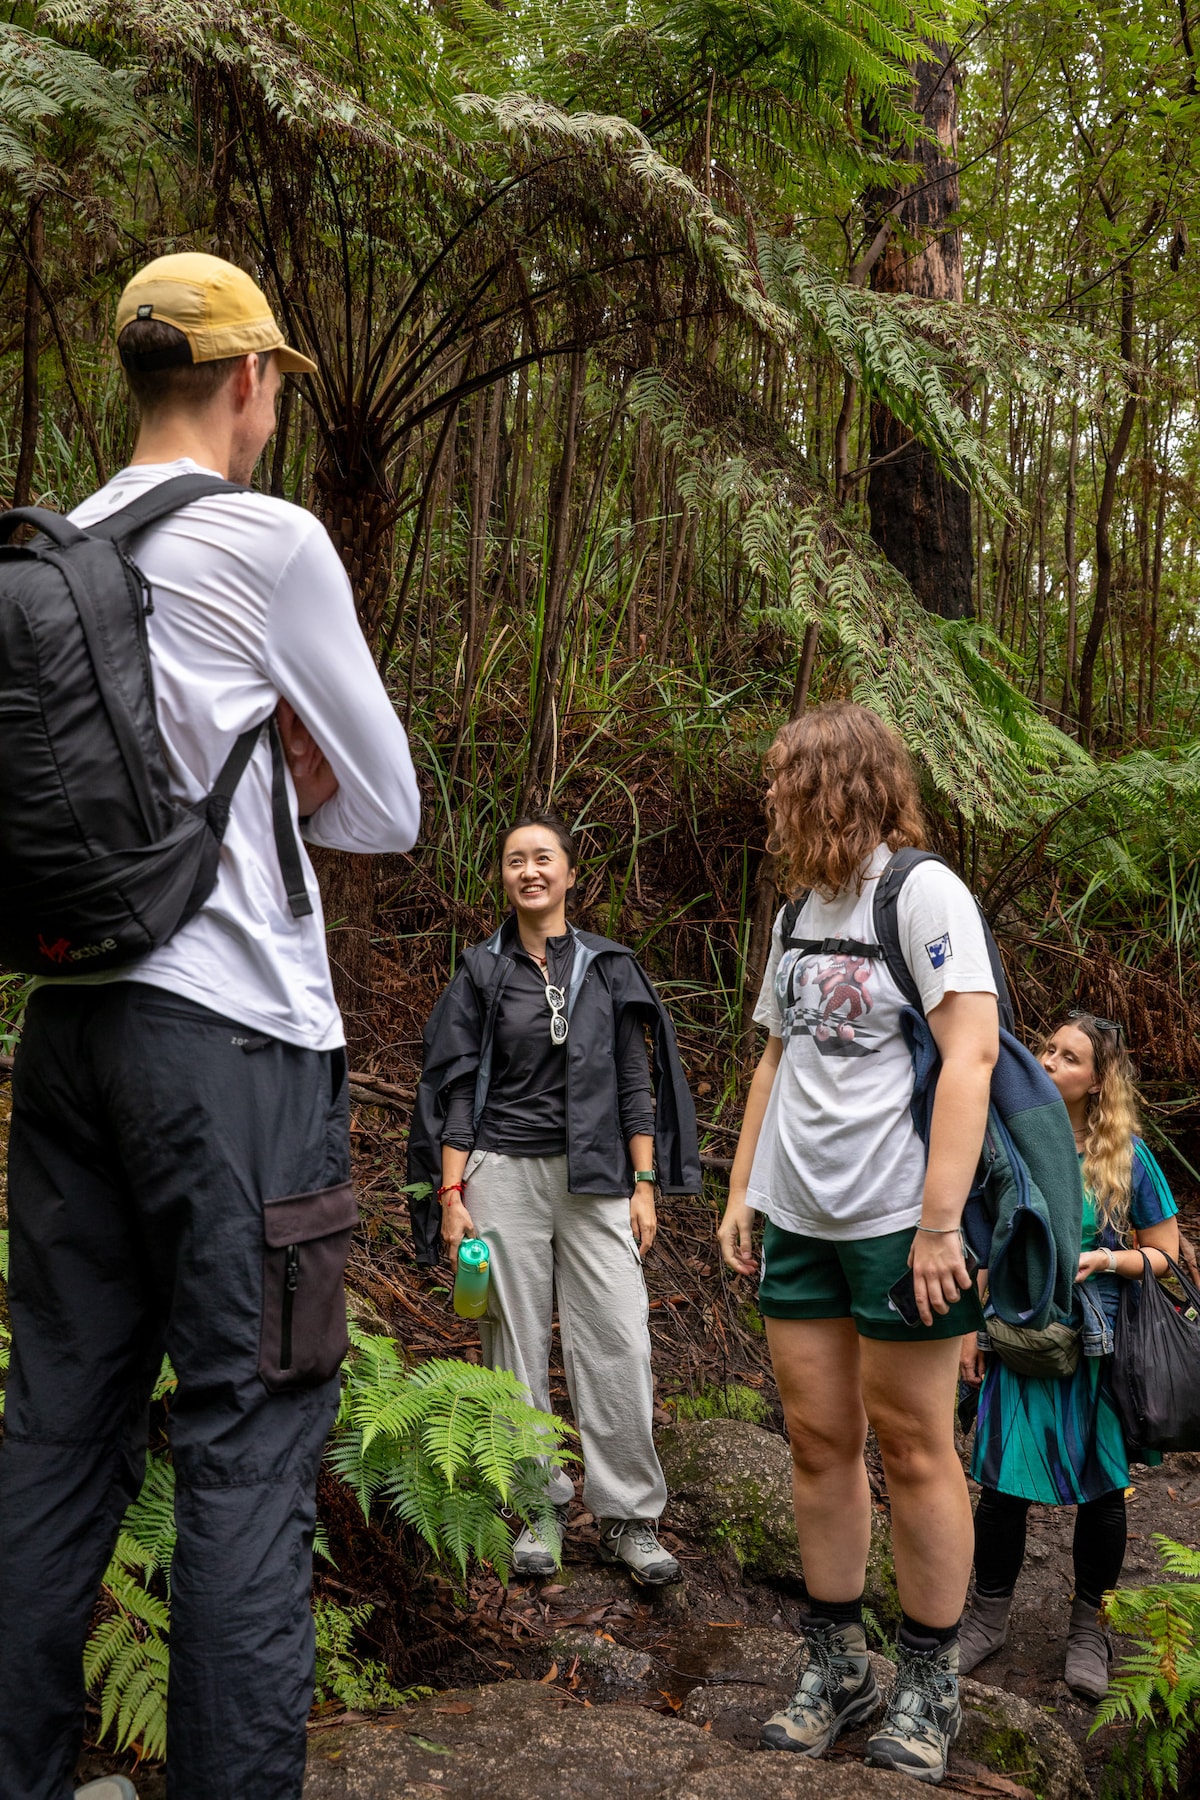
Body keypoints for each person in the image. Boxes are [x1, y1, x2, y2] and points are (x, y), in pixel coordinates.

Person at [0, 253, 421, 1800]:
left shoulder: (52, 544)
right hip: (235, 1049)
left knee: (53, 1436)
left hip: (69, 1038)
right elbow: (392, 805)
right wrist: (284, 774)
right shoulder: (270, 540)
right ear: (249, 384)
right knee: (247, 1449)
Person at [718, 701, 999, 1786]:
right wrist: (744, 1191)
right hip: (801, 1219)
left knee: (919, 1444)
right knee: (818, 1440)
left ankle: (929, 1683)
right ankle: (838, 1665)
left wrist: (939, 1225)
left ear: (836, 783)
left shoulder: (920, 893)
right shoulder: (797, 910)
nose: (773, 797)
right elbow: (772, 1059)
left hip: (898, 1224)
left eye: (786, 779)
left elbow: (969, 1055)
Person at [409, 814, 700, 1584]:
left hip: (599, 1176)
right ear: (503, 879)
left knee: (619, 1342)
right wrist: (451, 1192)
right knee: (516, 1347)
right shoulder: (482, 969)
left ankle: (629, 1519)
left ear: (571, 874)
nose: (529, 871)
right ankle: (538, 1506)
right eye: (514, 861)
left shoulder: (608, 968)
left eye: (543, 859)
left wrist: (645, 1185)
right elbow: (458, 1088)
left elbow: (637, 1085)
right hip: (502, 1172)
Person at [958, 1011, 1180, 1701]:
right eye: (1046, 1050)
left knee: (1105, 1493)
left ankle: (1090, 1630)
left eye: (1069, 1057)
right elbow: (985, 1244)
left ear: (1099, 1080)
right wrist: (973, 1330)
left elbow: (1168, 1254)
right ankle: (987, 1617)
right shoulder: (1012, 1143)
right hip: (1017, 1337)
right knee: (1000, 1489)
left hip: (1099, 1347)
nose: (1048, 1062)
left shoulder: (1126, 1158)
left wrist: (1108, 1257)